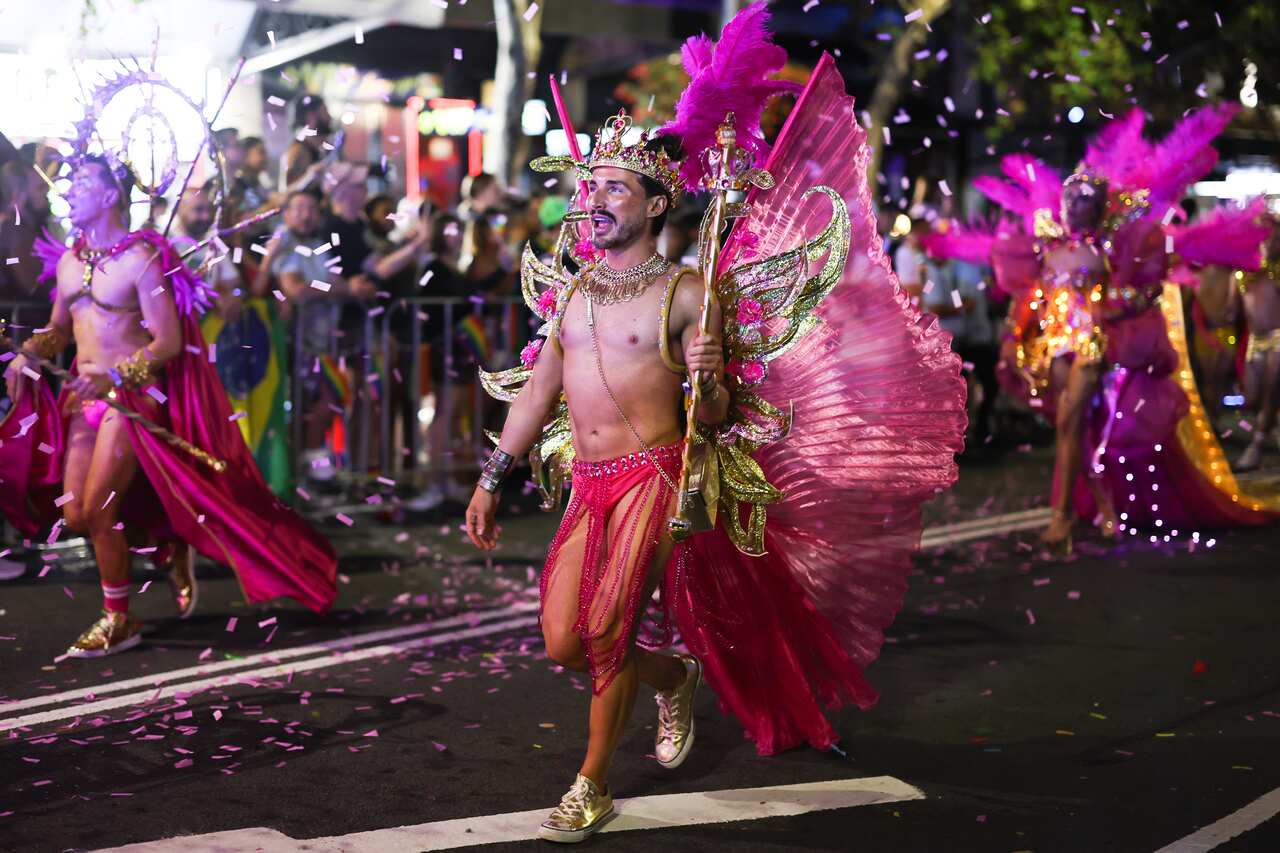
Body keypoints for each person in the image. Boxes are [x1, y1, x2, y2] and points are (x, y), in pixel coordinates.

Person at [466, 6, 967, 842]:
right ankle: (674, 676)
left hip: (656, 477)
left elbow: (722, 412)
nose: (593, 202)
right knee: (562, 639)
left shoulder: (688, 294)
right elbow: (538, 390)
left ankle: (591, 784)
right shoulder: (579, 292)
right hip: (586, 483)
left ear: (657, 202)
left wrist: (709, 376)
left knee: (606, 626)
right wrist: (492, 479)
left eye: (613, 189)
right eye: (590, 189)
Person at [2, 154, 337, 656]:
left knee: (100, 506)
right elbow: (59, 330)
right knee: (74, 515)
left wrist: (117, 375)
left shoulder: (142, 259)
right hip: (83, 399)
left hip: (132, 396)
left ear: (111, 195)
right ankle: (166, 539)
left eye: (82, 183)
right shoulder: (70, 261)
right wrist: (28, 353)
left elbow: (168, 342)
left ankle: (120, 617)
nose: (69, 191)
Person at [925, 106, 1276, 550]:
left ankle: (1062, 518)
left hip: (1092, 345)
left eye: (1086, 201)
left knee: (1072, 421)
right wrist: (1014, 337)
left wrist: (1113, 303)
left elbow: (1146, 291)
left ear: (1098, 208)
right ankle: (1102, 502)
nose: (1076, 207)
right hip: (1054, 346)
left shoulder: (1112, 251)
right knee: (1074, 429)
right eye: (1072, 199)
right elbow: (1029, 298)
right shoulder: (1047, 249)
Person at [1236, 216, 1280, 471]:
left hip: (1278, 338)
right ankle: (1268, 427)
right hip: (1255, 341)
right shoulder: (1243, 272)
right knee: (1251, 398)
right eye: (1265, 237)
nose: (1270, 242)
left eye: (1275, 237)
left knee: (1271, 392)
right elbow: (1233, 310)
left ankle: (1257, 444)